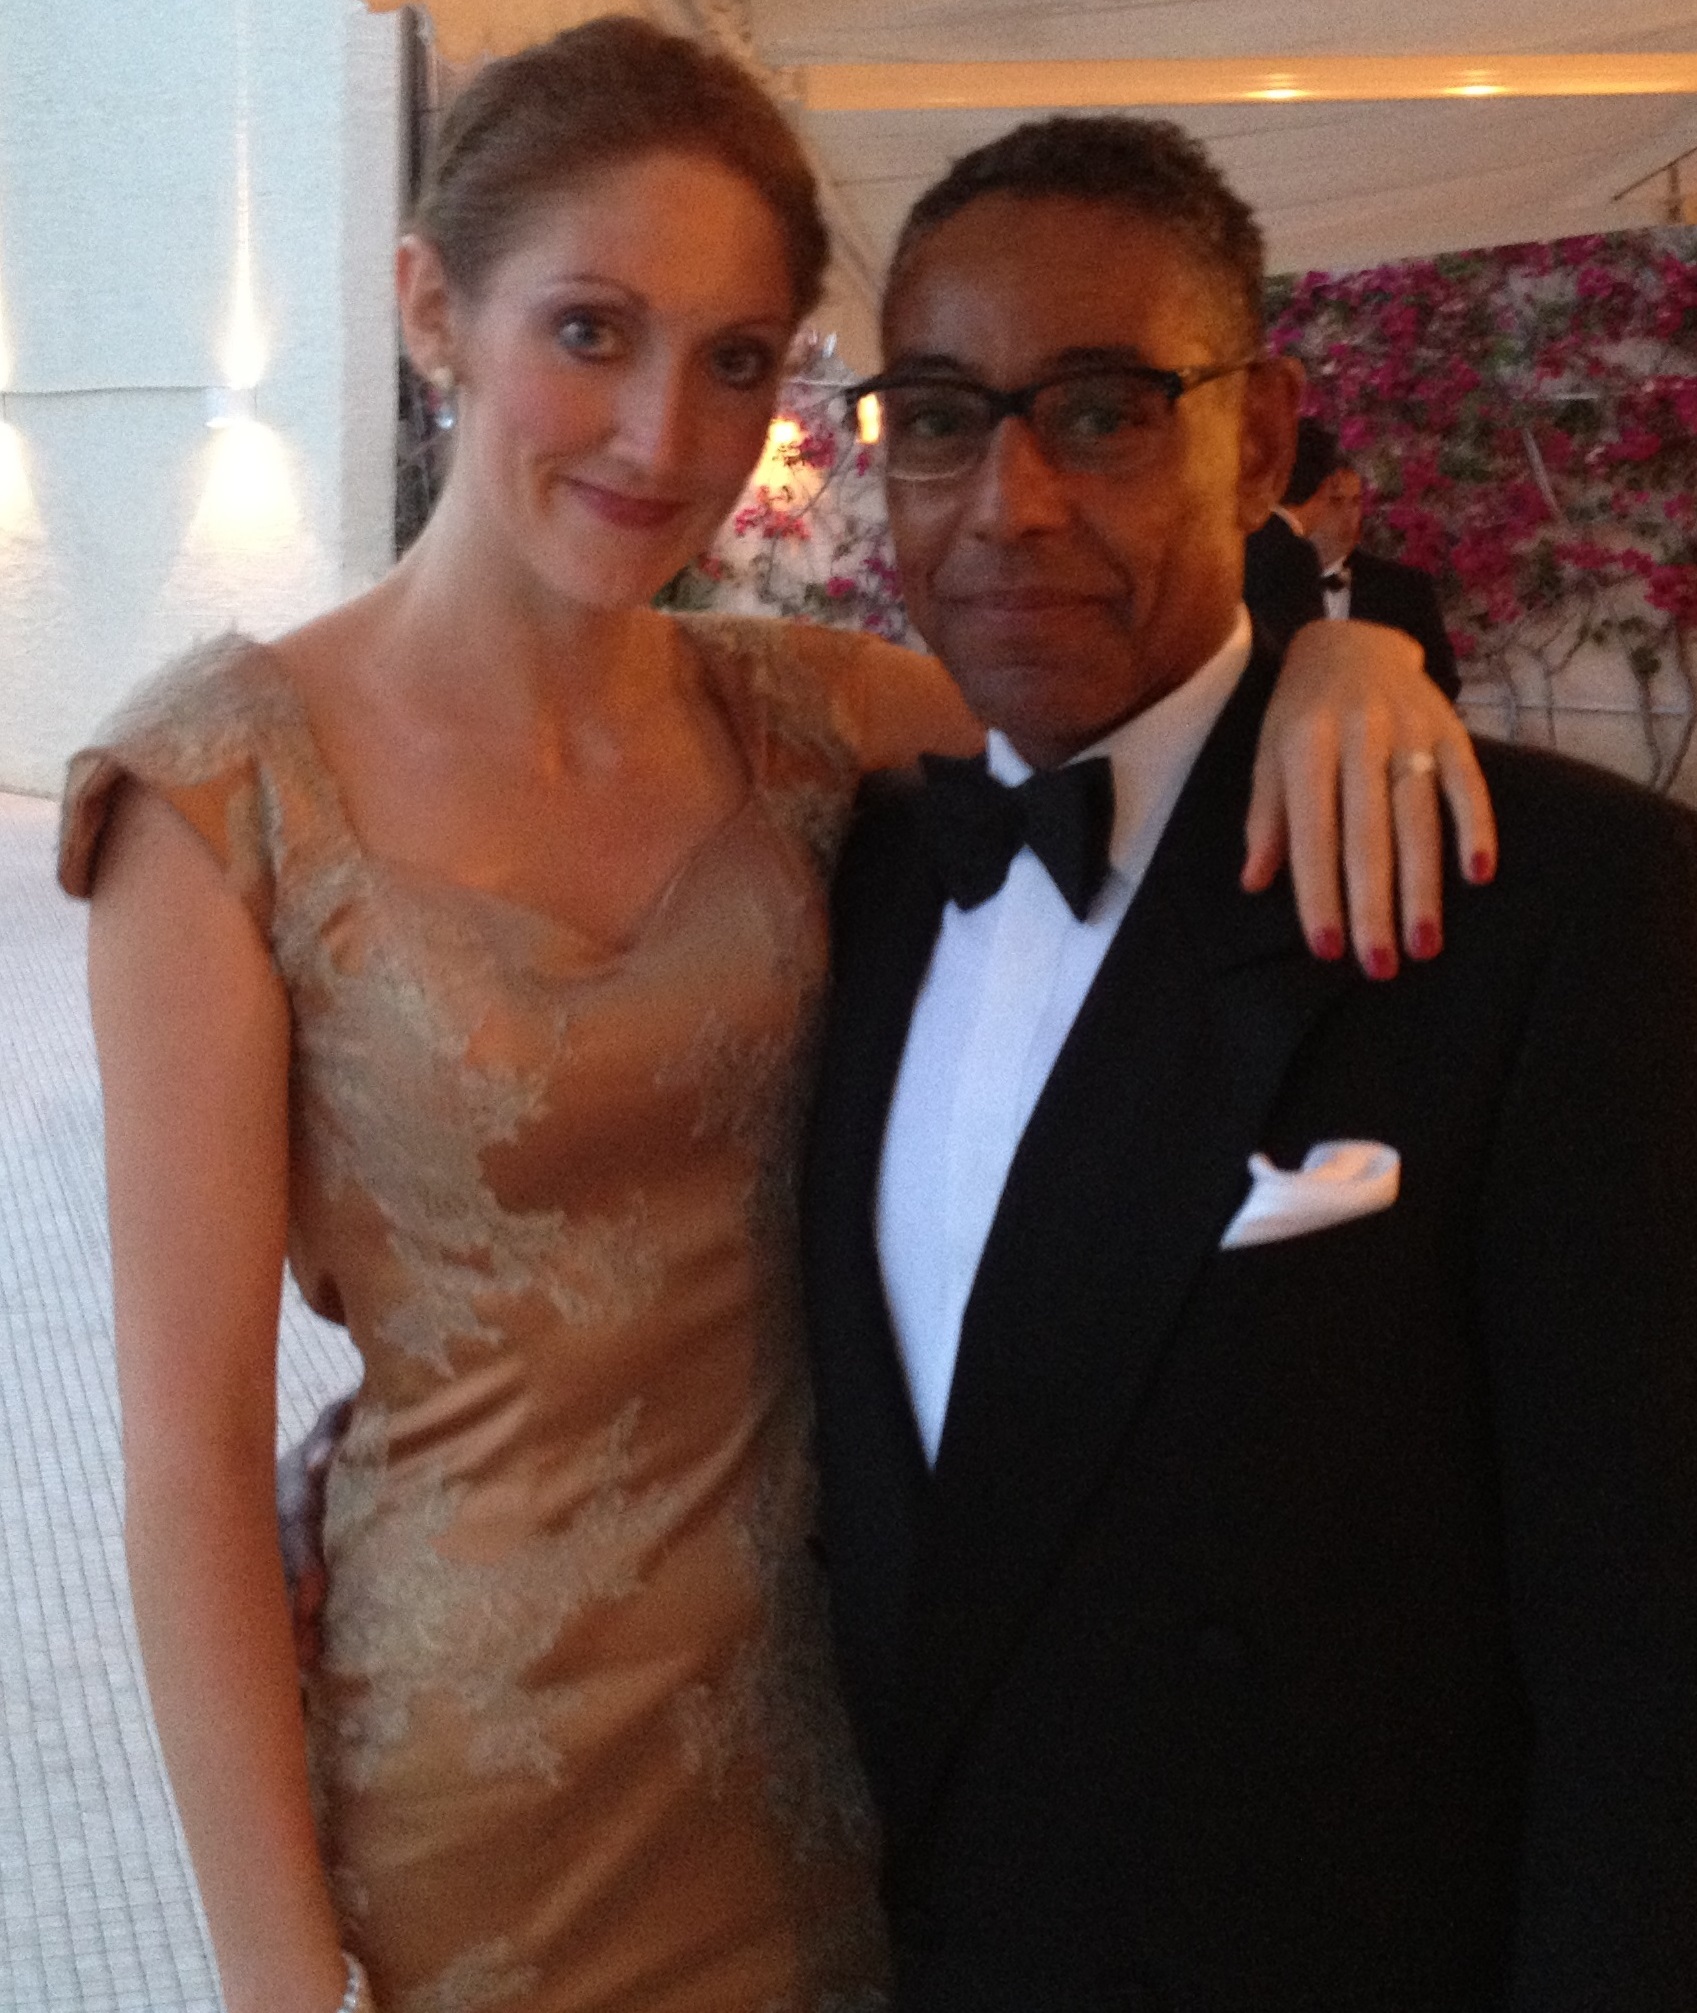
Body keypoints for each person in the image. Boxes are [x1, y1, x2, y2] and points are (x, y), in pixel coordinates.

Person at [61, 24, 1485, 2013]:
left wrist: (1340, 654)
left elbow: (1151, 719)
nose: (661, 433)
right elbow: (194, 1464)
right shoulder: (219, 797)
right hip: (492, 1766)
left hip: (856, 1729)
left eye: (735, 359)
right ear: (426, 310)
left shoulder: (804, 715)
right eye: (587, 328)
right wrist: (274, 1973)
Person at [802, 115, 1697, 2011]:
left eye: (1105, 410)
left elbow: (1649, 1660)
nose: (1010, 501)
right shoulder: (853, 874)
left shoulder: (1551, 903)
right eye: (943, 417)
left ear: (1262, 439)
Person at [1286, 417, 1461, 698]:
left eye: (1356, 502)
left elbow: (1444, 683)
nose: (1349, 515)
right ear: (1307, 505)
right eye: (1336, 502)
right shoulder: (1268, 579)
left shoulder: (1405, 589)